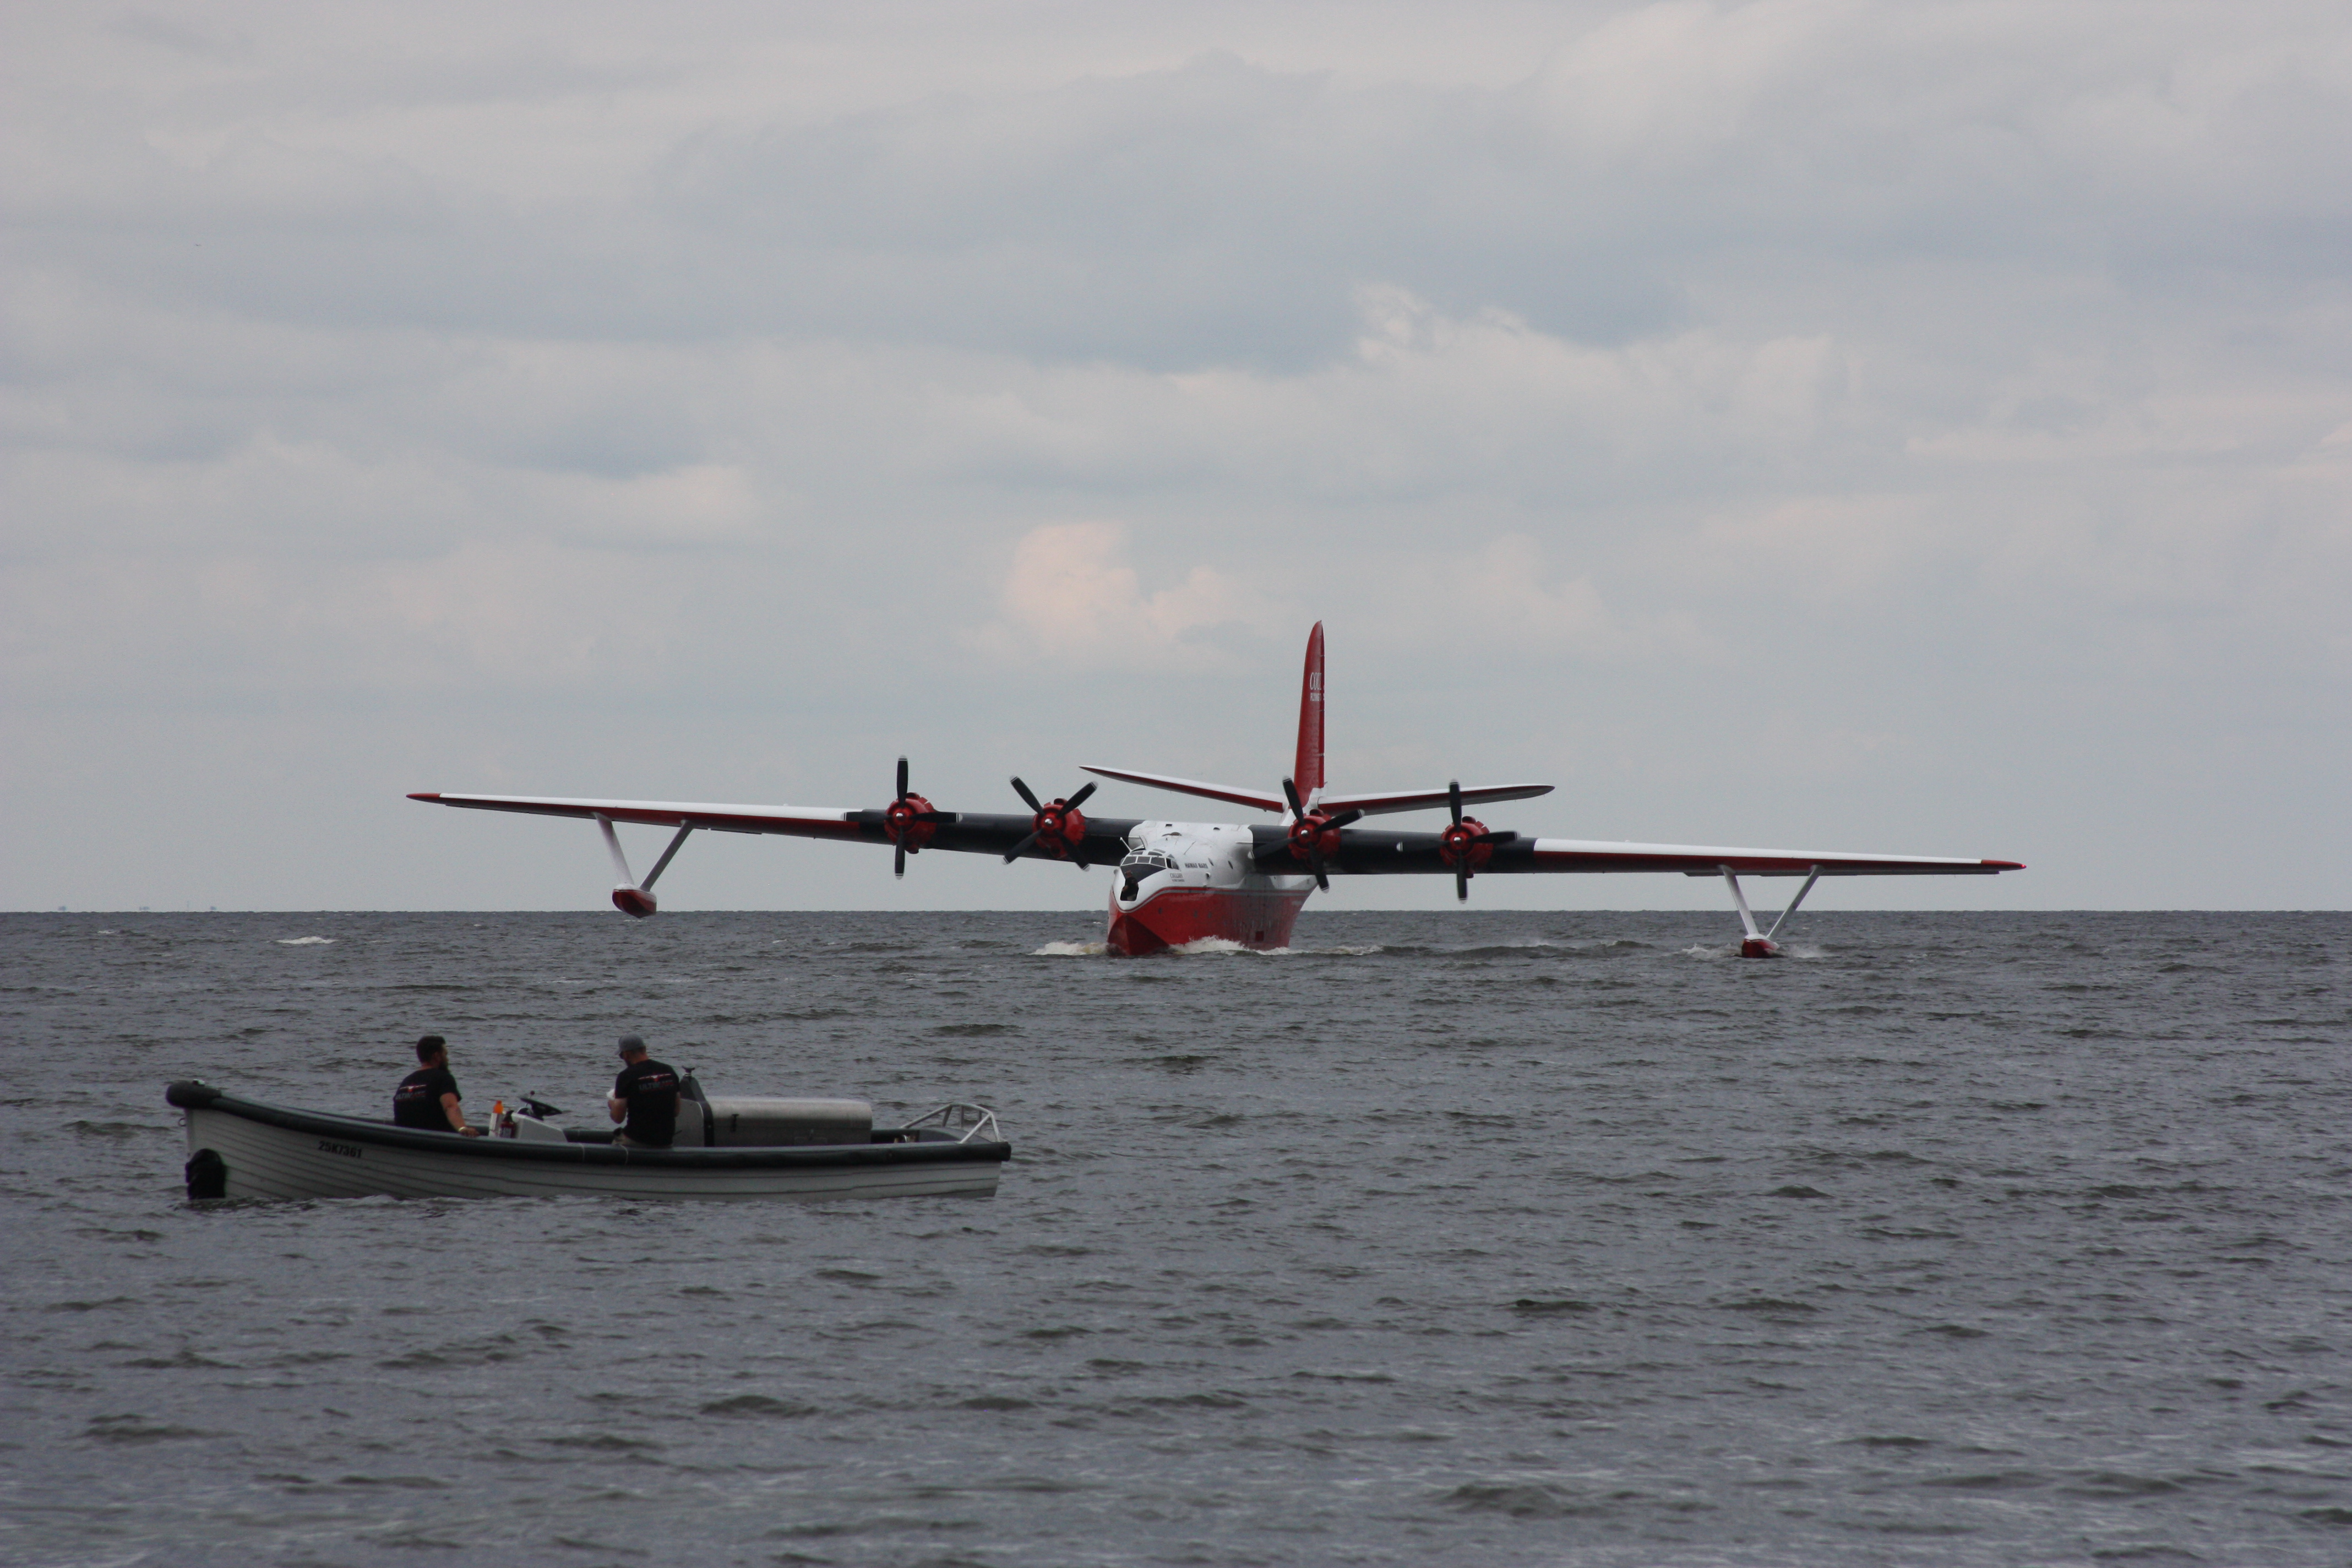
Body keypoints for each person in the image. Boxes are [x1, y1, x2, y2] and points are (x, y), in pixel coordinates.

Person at [392, 1035, 482, 1135]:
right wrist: (462, 1129)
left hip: (405, 1139)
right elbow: (450, 1107)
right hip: (436, 1140)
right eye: (445, 1055)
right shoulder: (444, 1078)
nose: (447, 1060)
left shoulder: (405, 1082)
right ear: (437, 1056)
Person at [607, 1035, 679, 1148]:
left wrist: (612, 1105)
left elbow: (618, 1118)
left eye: (621, 1056)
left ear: (626, 1054)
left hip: (637, 1140)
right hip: (666, 1141)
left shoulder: (626, 1076)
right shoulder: (669, 1071)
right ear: (644, 1049)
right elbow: (676, 1111)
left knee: (612, 1149)